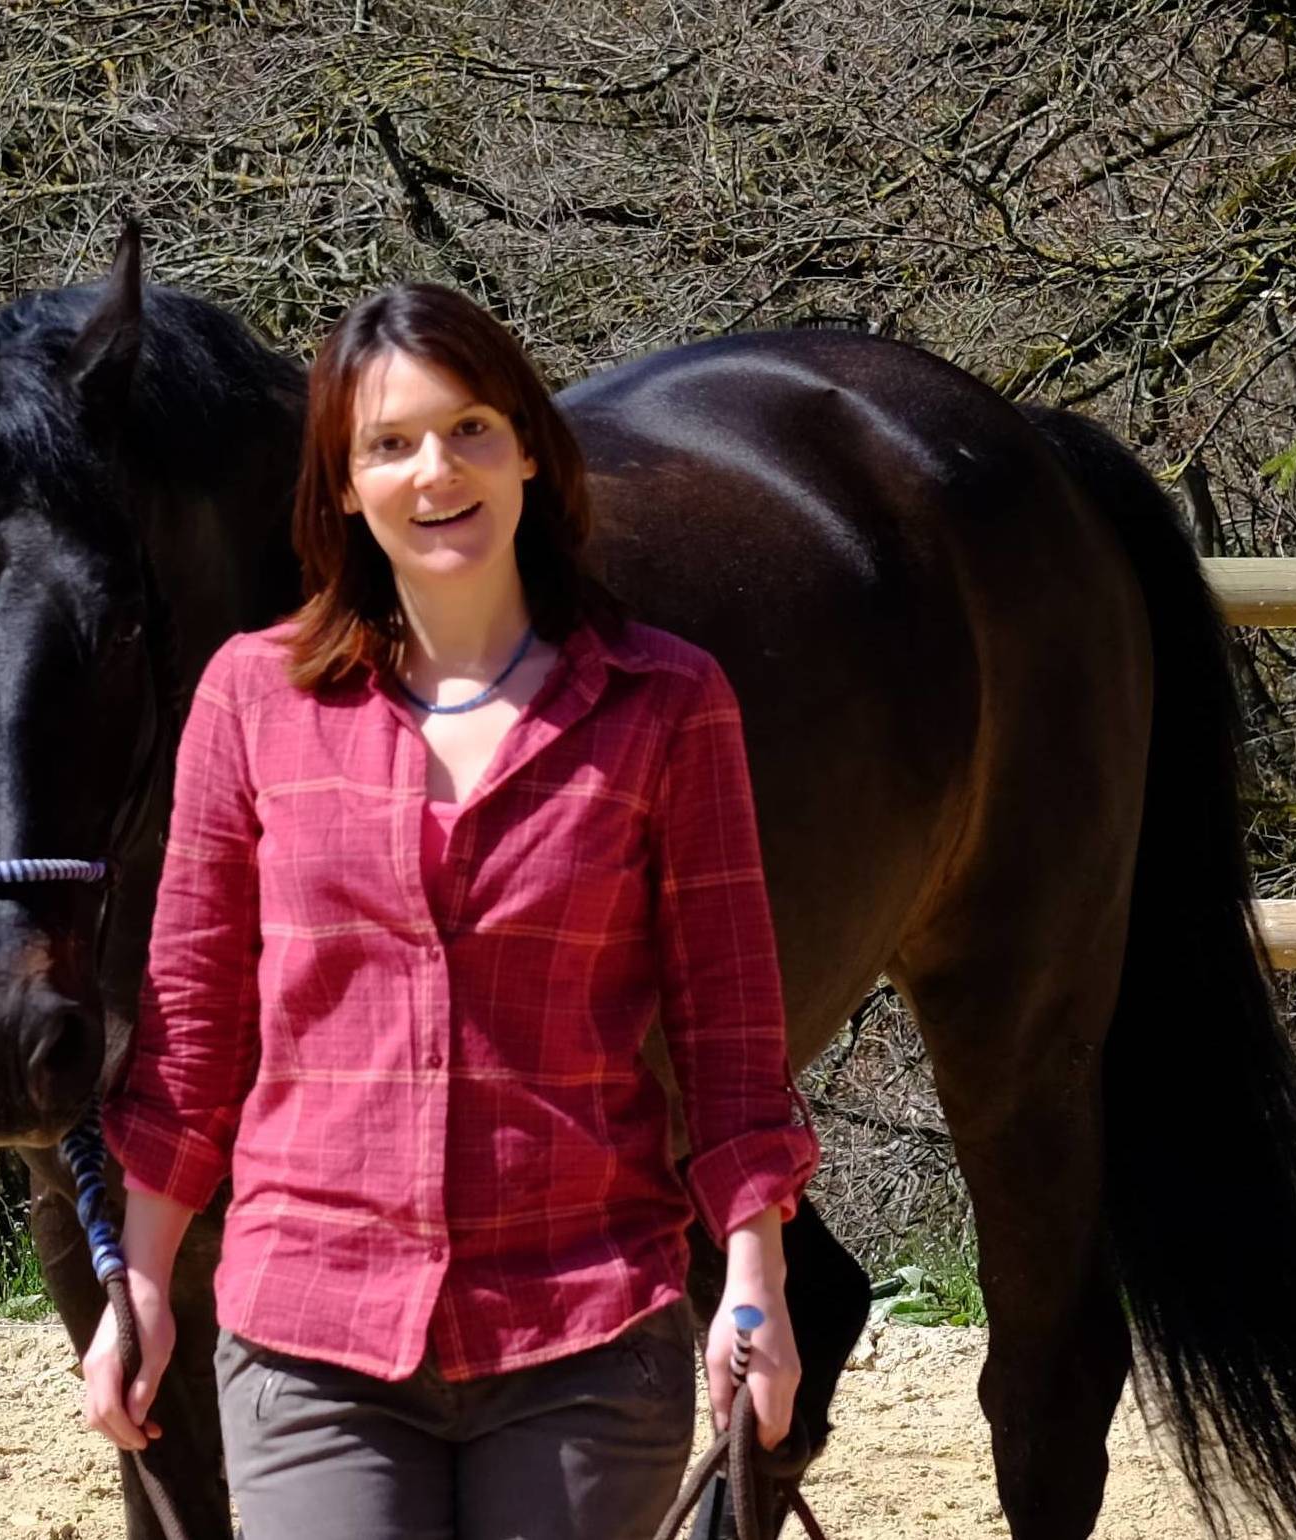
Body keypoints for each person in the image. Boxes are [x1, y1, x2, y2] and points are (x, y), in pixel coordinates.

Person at [84, 281, 817, 1539]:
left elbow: (730, 1032)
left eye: (469, 427)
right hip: (310, 1334)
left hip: (585, 1325)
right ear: (342, 486)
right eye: (388, 443)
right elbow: (191, 1029)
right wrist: (141, 1279)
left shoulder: (666, 706)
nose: (436, 469)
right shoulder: (248, 702)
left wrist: (755, 1273)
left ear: (529, 447)